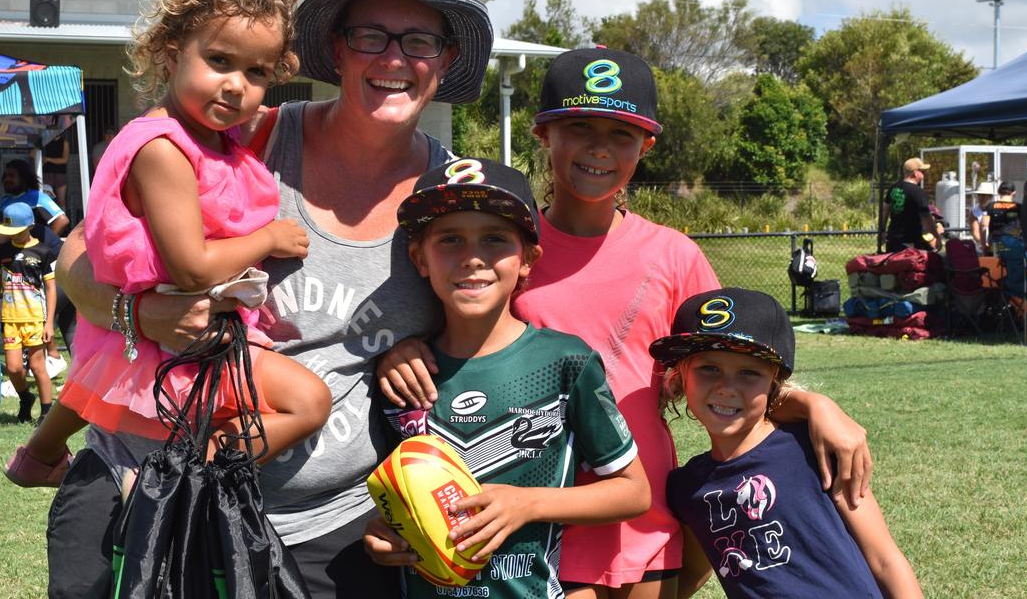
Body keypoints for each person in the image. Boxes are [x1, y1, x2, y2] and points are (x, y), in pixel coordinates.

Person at [56, 0, 495, 599]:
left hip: (338, 529)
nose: (395, 59)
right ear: (338, 50)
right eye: (371, 35)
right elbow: (78, 258)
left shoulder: (454, 193)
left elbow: (490, 330)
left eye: (421, 41)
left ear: (447, 60)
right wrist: (139, 313)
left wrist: (417, 346)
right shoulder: (246, 134)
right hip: (166, 496)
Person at [380, 48, 875, 599]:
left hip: (646, 519)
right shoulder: (504, 249)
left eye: (621, 133)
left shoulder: (674, 256)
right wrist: (402, 349)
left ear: (647, 146)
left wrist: (813, 405)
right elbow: (452, 338)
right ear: (544, 134)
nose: (599, 148)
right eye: (579, 126)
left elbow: (730, 376)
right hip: (536, 534)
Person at [36, 0, 334, 597]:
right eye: (220, 60)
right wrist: (270, 238)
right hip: (173, 339)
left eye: (257, 72)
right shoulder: (164, 148)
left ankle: (61, 457)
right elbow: (191, 264)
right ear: (170, 53)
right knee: (309, 401)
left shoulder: (210, 141)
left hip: (180, 341)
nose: (236, 85)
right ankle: (194, 470)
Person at [365, 158, 651, 597]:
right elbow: (391, 495)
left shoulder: (565, 361)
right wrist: (383, 534)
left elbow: (633, 492)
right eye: (450, 240)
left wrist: (529, 504)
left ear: (527, 260)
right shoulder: (401, 377)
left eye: (495, 239)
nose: (472, 258)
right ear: (419, 258)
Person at [655, 288, 923, 599]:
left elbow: (884, 559)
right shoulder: (685, 488)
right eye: (709, 368)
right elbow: (694, 572)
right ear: (680, 374)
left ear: (774, 380)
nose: (726, 387)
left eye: (748, 373)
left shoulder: (813, 447)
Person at [0, 203, 57, 424]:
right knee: (13, 368)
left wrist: (49, 322)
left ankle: (46, 412)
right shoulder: (2, 252)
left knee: (37, 366)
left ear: (30, 226)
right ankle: (25, 398)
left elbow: (51, 288)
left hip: (35, 319)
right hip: (9, 319)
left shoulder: (43, 252)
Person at [1, 159, 69, 239]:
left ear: (24, 178)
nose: (7, 179)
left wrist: (47, 245)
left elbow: (62, 221)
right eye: (5, 176)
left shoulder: (37, 197)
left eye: (12, 176)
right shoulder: (4, 200)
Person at [882, 158, 934, 251]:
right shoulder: (917, 192)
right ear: (915, 173)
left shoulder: (893, 188)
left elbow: (885, 210)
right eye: (922, 171)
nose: (924, 174)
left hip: (893, 240)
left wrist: (881, 231)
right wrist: (936, 235)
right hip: (909, 243)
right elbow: (926, 217)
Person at [984, 181, 1021, 254]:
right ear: (1014, 193)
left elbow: (984, 225)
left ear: (999, 192)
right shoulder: (1019, 207)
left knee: (994, 264)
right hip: (1014, 244)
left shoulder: (990, 206)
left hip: (995, 245)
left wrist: (984, 244)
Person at [41, 135, 69, 209]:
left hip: (60, 174)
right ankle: (48, 220)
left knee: (61, 201)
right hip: (47, 173)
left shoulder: (64, 143)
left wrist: (48, 159)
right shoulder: (45, 141)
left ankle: (64, 219)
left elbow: (64, 160)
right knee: (46, 200)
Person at [968, 182, 995, 251]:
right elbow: (975, 232)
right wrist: (984, 244)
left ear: (990, 196)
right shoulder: (974, 211)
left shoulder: (996, 209)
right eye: (979, 195)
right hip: (981, 248)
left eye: (984, 195)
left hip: (996, 245)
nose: (981, 197)